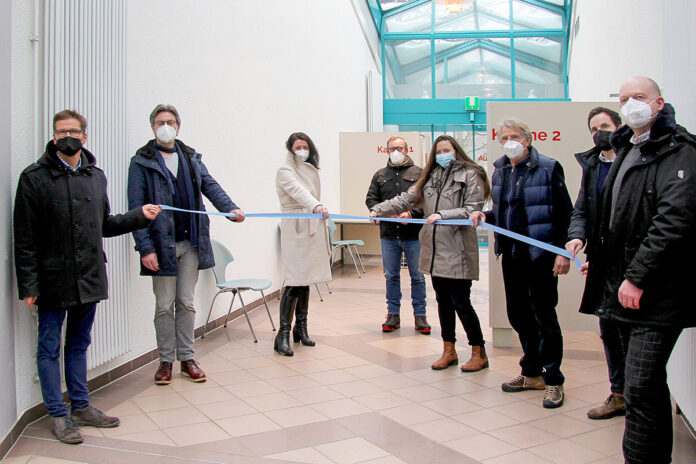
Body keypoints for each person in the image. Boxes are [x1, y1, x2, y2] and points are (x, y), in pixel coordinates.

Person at [14, 110, 162, 444]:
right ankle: (58, 413)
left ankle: (81, 405)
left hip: (90, 275)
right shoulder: (34, 178)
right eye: (60, 131)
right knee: (49, 347)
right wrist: (29, 284)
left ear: (84, 136)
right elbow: (24, 237)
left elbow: (105, 224)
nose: (67, 135)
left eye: (74, 131)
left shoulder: (96, 176)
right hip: (53, 279)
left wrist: (139, 215)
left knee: (79, 344)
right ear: (54, 137)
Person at [577, 77, 696, 464]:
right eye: (624, 98)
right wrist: (600, 257)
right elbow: (616, 217)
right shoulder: (626, 146)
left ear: (659, 103)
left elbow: (673, 221)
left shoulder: (679, 150)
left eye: (639, 97)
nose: (631, 104)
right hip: (621, 286)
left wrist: (637, 276)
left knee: (642, 384)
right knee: (638, 385)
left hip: (656, 289)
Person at [128, 104, 244, 385]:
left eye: (169, 121)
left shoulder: (191, 157)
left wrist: (230, 209)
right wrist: (145, 248)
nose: (164, 126)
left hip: (191, 243)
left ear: (178, 126)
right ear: (152, 127)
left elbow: (210, 185)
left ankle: (188, 359)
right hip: (161, 246)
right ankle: (165, 361)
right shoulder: (141, 162)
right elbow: (136, 207)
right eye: (159, 122)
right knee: (164, 305)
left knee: (186, 303)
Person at [471, 118, 573, 408]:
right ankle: (531, 372)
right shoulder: (501, 170)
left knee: (544, 316)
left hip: (540, 255)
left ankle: (554, 379)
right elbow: (502, 211)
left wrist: (563, 253)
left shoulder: (549, 167)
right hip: (512, 254)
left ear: (527, 139)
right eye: (504, 137)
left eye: (515, 136)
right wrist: (485, 216)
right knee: (518, 314)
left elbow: (565, 213)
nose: (509, 141)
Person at [370, 135, 490, 372]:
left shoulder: (470, 174)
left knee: (461, 302)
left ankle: (479, 351)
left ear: (456, 151)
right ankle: (449, 350)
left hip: (458, 247)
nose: (442, 155)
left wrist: (443, 216)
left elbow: (473, 209)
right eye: (438, 151)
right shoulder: (429, 178)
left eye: (447, 150)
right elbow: (407, 199)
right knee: (443, 301)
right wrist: (379, 209)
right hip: (435, 248)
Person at [565, 107, 628, 420]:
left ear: (619, 127)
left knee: (631, 333)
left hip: (630, 265)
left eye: (604, 125)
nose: (598, 132)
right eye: (593, 128)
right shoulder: (592, 165)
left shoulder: (633, 160)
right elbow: (581, 211)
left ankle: (637, 396)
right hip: (601, 265)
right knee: (608, 331)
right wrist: (577, 238)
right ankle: (618, 394)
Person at [275, 132, 332, 356]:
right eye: (297, 146)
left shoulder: (311, 169)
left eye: (305, 146)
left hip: (311, 225)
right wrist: (317, 205)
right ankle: (282, 335)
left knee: (306, 279)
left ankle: (301, 329)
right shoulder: (285, 171)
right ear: (290, 149)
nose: (302, 150)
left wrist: (316, 207)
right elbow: (299, 192)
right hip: (297, 227)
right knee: (295, 280)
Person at [365, 136, 429, 334]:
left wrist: (411, 214)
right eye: (392, 148)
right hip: (388, 234)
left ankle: (420, 316)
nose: (396, 151)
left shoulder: (419, 173)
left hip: (413, 234)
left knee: (417, 276)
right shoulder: (380, 174)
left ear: (407, 149)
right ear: (386, 151)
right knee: (391, 275)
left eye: (399, 147)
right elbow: (371, 199)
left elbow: (426, 202)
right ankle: (393, 315)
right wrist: (378, 212)